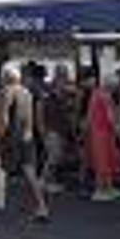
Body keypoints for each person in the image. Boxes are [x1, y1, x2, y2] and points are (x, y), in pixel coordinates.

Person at [0, 66, 50, 223]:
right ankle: (40, 205)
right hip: (27, 136)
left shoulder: (6, 92)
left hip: (12, 138)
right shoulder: (26, 92)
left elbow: (3, 119)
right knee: (29, 173)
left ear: (6, 77)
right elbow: (30, 117)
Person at [84, 73, 120, 201]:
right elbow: (111, 117)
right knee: (103, 162)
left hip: (97, 132)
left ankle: (108, 188)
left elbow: (90, 115)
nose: (116, 89)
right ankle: (100, 190)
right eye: (115, 86)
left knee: (106, 161)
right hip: (103, 133)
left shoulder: (96, 93)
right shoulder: (105, 96)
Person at [42, 65, 77, 194]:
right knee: (53, 157)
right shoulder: (51, 91)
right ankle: (45, 181)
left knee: (58, 157)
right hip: (52, 127)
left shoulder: (64, 90)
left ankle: (51, 181)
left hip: (61, 127)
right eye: (62, 73)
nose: (64, 76)